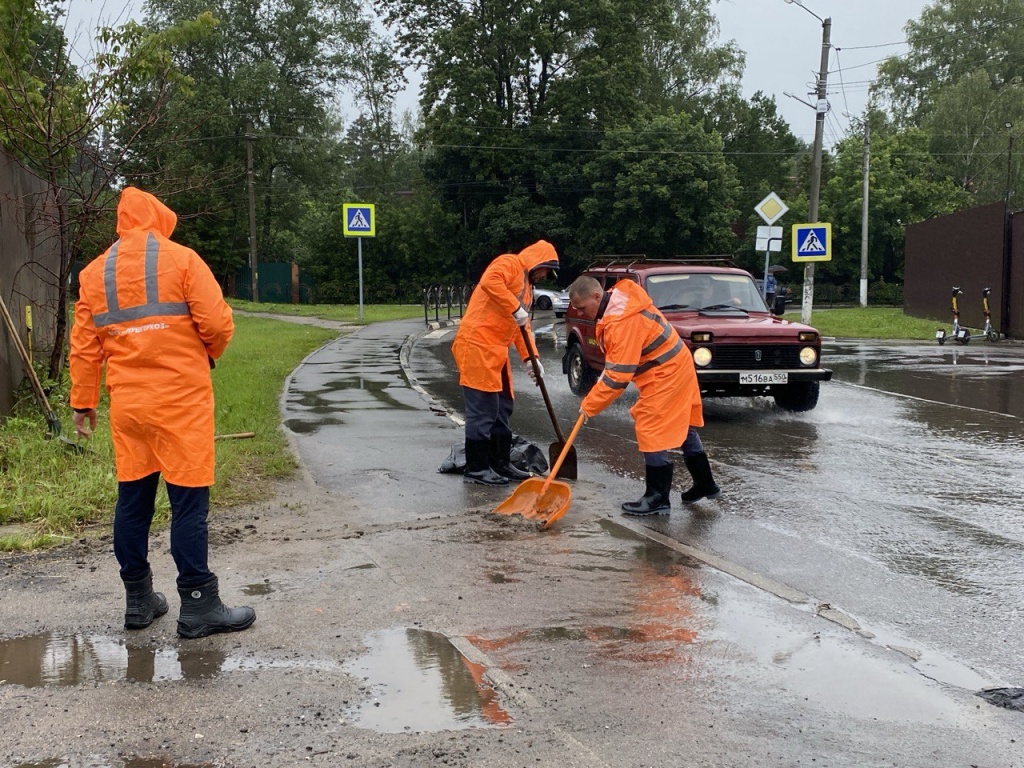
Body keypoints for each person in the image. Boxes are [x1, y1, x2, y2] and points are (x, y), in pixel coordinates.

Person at [70, 186, 255, 639]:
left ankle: (139, 600)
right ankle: (198, 605)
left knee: (133, 501)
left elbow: (84, 346)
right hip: (180, 403)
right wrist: (207, 351)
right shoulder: (183, 260)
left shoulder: (94, 274)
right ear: (158, 217)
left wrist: (83, 402)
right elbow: (217, 323)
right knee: (187, 504)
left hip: (129, 408)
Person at [568, 276, 720, 515]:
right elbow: (615, 363)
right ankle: (705, 484)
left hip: (666, 371)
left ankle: (657, 498)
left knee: (650, 426)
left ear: (597, 296)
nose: (581, 313)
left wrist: (589, 405)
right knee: (682, 425)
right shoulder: (617, 305)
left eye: (582, 307)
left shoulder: (623, 321)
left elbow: (618, 377)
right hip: (673, 365)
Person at [451, 240, 560, 485]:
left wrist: (531, 358)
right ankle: (477, 468)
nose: (545, 276)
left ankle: (500, 463)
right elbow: (490, 281)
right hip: (477, 345)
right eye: (545, 270)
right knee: (483, 409)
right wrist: (514, 308)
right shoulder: (510, 263)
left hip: (495, 351)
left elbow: (522, 327)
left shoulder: (528, 289)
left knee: (502, 407)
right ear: (538, 263)